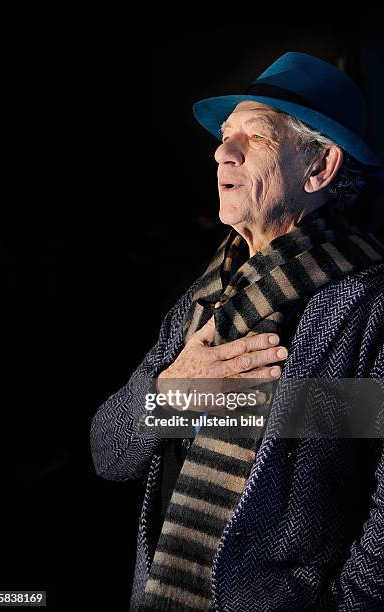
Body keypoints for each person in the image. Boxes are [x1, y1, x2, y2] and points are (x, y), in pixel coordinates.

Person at [91, 52, 384, 610]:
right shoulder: (202, 302)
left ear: (320, 166)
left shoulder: (369, 307)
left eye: (257, 136)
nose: (222, 151)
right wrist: (168, 398)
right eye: (226, 136)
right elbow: (106, 453)